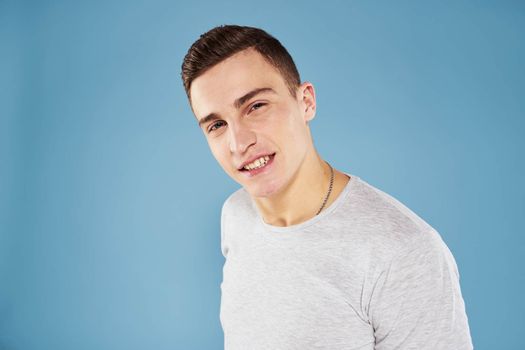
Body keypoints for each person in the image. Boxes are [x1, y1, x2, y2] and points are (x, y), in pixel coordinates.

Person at [181, 25, 473, 350]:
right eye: (217, 125)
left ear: (305, 101)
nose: (239, 142)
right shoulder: (235, 215)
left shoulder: (405, 252)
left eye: (256, 106)